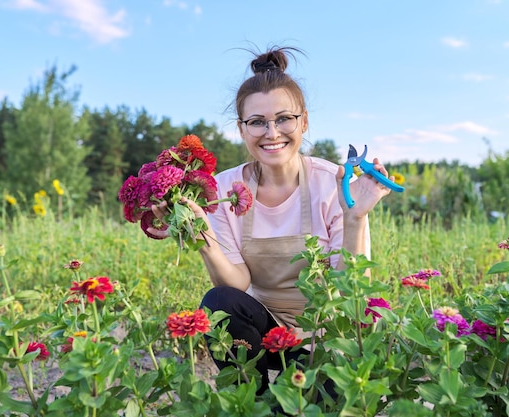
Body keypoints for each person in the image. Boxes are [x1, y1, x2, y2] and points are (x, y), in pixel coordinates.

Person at [150, 46, 393, 392]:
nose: (272, 132)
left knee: (305, 403)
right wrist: (204, 242)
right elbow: (234, 285)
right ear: (241, 129)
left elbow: (353, 291)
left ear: (303, 121)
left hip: (327, 335)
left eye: (284, 119)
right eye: (257, 122)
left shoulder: (332, 183)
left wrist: (356, 218)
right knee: (219, 303)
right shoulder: (224, 189)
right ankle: (250, 395)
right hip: (264, 331)